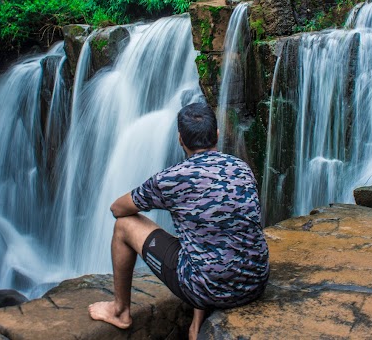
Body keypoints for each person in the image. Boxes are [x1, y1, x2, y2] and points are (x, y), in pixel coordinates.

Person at [88, 102, 269, 339]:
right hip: (256, 282)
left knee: (124, 226)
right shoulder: (241, 168)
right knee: (206, 231)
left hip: (208, 289)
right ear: (216, 135)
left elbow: (117, 209)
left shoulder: (171, 179)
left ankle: (120, 310)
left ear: (180, 139)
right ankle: (197, 324)